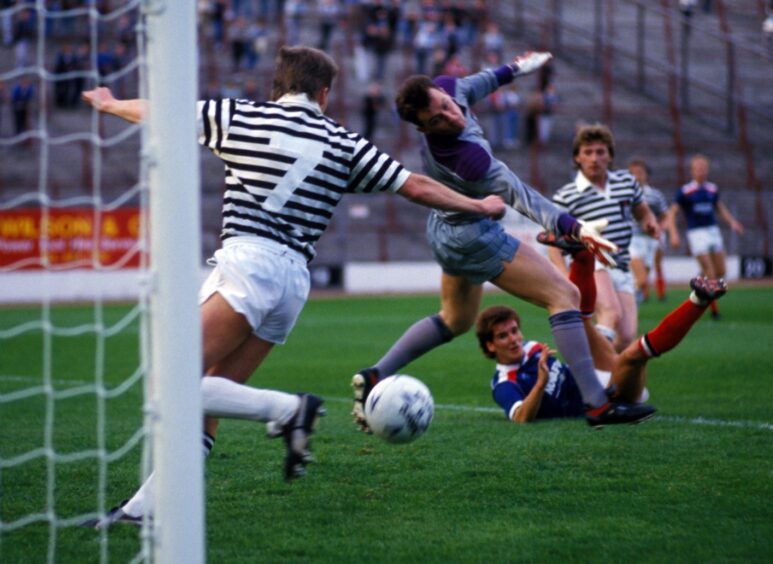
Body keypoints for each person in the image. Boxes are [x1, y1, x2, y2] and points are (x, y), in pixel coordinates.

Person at [80, 45, 506, 527]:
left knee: (170, 381)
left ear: (277, 85)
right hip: (292, 284)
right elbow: (415, 186)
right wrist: (480, 206)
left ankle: (288, 409)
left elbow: (164, 113)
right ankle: (146, 508)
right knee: (213, 393)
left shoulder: (241, 117)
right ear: (324, 93)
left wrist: (113, 104)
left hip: (249, 264)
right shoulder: (346, 143)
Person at [352, 51, 656, 433]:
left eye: (446, 106)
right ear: (422, 129)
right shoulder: (466, 159)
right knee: (563, 296)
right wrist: (576, 228)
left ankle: (376, 373)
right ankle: (597, 404)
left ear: (441, 92)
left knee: (454, 320)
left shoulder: (446, 89)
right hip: (474, 235)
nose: (449, 115)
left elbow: (473, 84)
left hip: (444, 229)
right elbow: (522, 196)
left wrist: (512, 69)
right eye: (437, 120)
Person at [477, 247, 728, 425]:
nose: (513, 339)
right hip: (604, 399)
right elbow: (521, 418)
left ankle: (581, 253)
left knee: (579, 320)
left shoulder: (531, 349)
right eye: (502, 336)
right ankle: (699, 300)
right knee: (632, 355)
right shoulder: (503, 384)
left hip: (595, 379)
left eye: (514, 330)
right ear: (490, 346)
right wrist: (541, 384)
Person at [546, 124, 660, 351]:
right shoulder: (566, 196)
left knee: (627, 337)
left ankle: (607, 379)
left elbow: (642, 211)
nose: (594, 158)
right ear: (577, 158)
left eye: (600, 152)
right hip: (590, 263)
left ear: (610, 156)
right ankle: (587, 370)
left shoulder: (627, 183)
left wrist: (649, 222)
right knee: (610, 313)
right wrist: (564, 275)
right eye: (587, 152)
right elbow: (552, 243)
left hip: (621, 264)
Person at [665, 154, 744, 320]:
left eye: (703, 168)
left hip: (712, 231)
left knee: (721, 271)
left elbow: (720, 208)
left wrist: (733, 222)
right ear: (692, 171)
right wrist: (673, 233)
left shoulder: (712, 189)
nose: (701, 171)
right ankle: (714, 311)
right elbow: (672, 212)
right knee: (711, 272)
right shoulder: (686, 191)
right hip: (697, 233)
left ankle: (699, 284)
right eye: (698, 168)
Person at [628, 159, 674, 302]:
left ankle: (629, 307)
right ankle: (622, 303)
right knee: (641, 279)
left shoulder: (655, 195)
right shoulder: (625, 194)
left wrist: (661, 228)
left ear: (646, 175)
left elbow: (666, 215)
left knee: (640, 282)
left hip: (650, 241)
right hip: (632, 240)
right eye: (633, 173)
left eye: (640, 173)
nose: (636, 176)